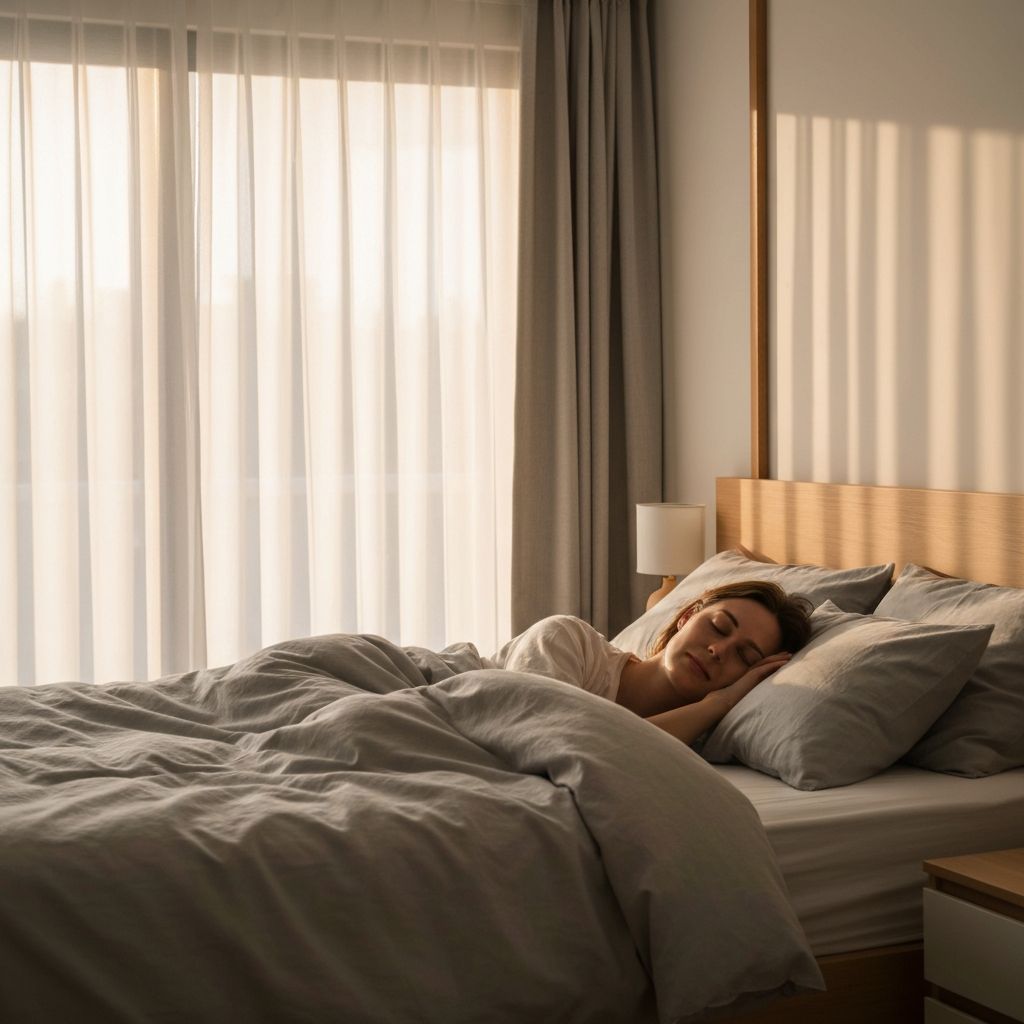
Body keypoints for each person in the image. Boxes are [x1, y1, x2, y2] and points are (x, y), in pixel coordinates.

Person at [491, 580, 813, 747]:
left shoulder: (699, 737)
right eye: (717, 626)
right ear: (686, 616)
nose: (718, 650)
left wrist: (721, 704)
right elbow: (539, 741)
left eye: (746, 657)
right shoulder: (569, 642)